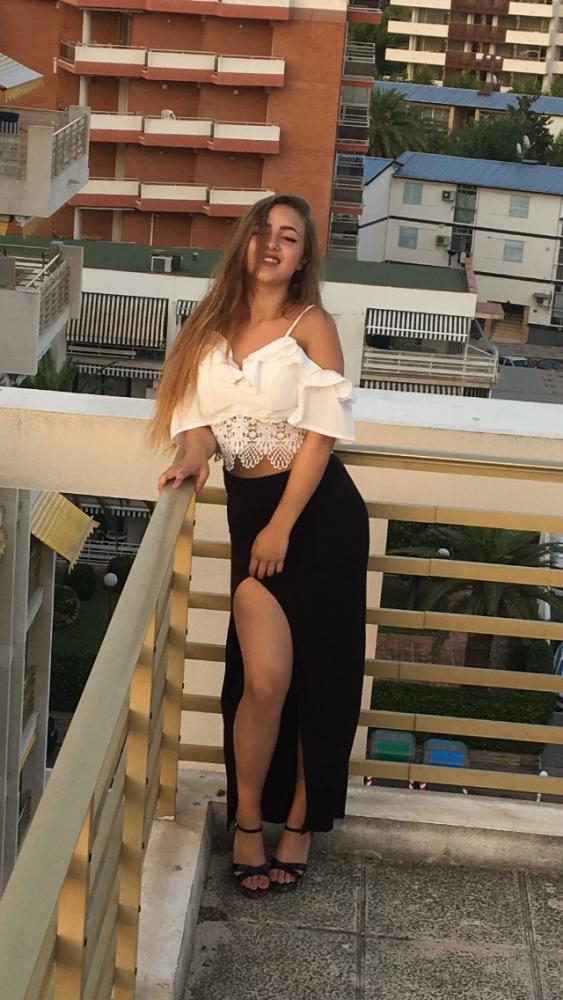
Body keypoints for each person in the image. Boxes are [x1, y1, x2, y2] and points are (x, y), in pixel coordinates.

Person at [152, 194, 369, 897]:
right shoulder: (207, 327)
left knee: (319, 678)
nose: (272, 245)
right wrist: (193, 457)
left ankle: (299, 824)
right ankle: (248, 821)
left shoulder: (311, 325)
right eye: (262, 233)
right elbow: (198, 419)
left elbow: (321, 434)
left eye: (289, 237)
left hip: (318, 517)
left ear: (303, 258)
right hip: (251, 512)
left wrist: (282, 525)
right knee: (264, 682)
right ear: (244, 242)